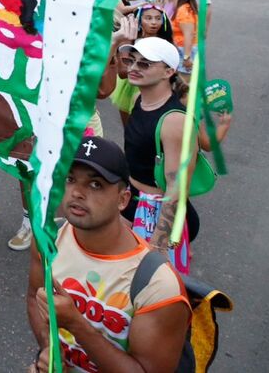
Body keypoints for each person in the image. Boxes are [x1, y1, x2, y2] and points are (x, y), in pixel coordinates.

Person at [26, 136, 190, 373]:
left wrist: (76, 324)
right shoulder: (47, 240)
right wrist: (48, 348)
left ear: (123, 199)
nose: (77, 192)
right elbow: (35, 297)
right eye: (70, 179)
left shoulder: (158, 285)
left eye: (95, 184)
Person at [117, 37, 198, 275]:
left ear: (168, 71)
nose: (133, 68)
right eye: (132, 61)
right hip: (131, 201)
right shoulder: (138, 99)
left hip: (155, 212)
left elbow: (177, 187)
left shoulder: (175, 120)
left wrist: (159, 244)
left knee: (146, 283)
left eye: (144, 63)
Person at [110, 10, 170, 126]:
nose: (154, 22)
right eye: (148, 18)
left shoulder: (165, 43)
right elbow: (122, 72)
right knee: (129, 126)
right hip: (130, 88)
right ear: (139, 20)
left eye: (158, 18)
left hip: (153, 88)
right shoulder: (131, 39)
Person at [159, 0, 198, 78]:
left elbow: (189, 35)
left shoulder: (184, 10)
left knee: (184, 82)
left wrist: (187, 57)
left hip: (185, 51)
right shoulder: (179, 8)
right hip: (180, 49)